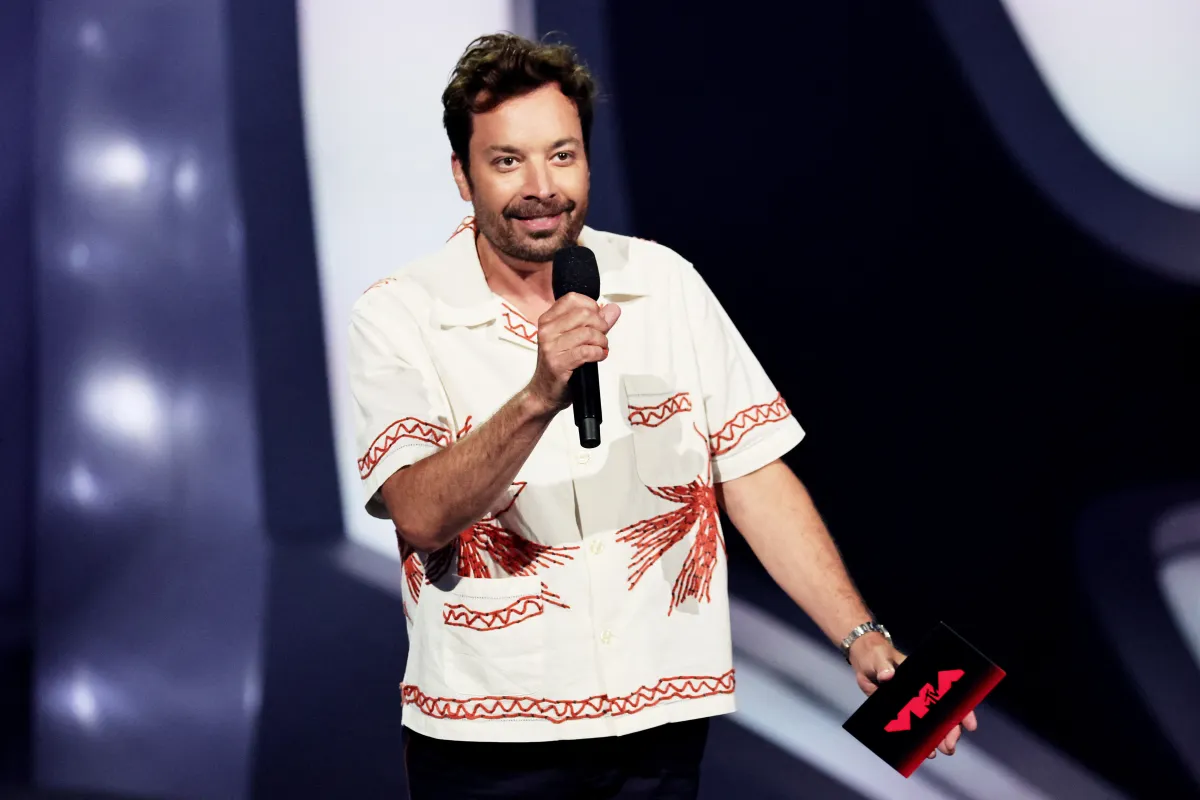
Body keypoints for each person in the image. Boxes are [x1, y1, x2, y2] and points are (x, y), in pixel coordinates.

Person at [348, 32, 977, 799]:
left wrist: (861, 634)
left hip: (660, 732)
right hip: (493, 742)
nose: (541, 185)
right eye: (507, 160)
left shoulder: (664, 281)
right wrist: (541, 394)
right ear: (462, 174)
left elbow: (750, 471)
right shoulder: (402, 314)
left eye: (563, 154)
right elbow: (418, 512)